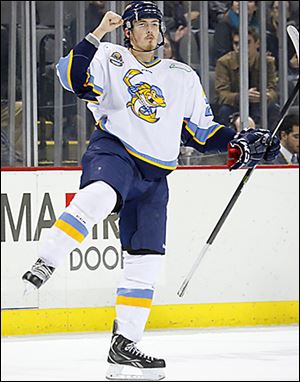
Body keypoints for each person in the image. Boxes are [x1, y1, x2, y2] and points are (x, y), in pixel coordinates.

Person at [21, 2, 280, 380]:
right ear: (126, 31)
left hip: (156, 175)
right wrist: (95, 35)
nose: (149, 31)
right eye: (140, 24)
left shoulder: (182, 75)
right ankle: (47, 260)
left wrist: (241, 144)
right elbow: (72, 78)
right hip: (115, 151)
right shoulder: (109, 56)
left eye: (154, 24)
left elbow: (199, 131)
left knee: (146, 261)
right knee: (100, 195)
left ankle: (124, 344)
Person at [215, 27, 280, 129]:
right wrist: (242, 96)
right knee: (224, 110)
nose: (240, 47)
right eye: (236, 43)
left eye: (247, 42)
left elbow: (274, 90)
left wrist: (265, 96)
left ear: (257, 43)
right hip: (234, 105)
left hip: (259, 103)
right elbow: (221, 94)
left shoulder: (267, 62)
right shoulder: (224, 62)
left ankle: (271, 141)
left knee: (274, 109)